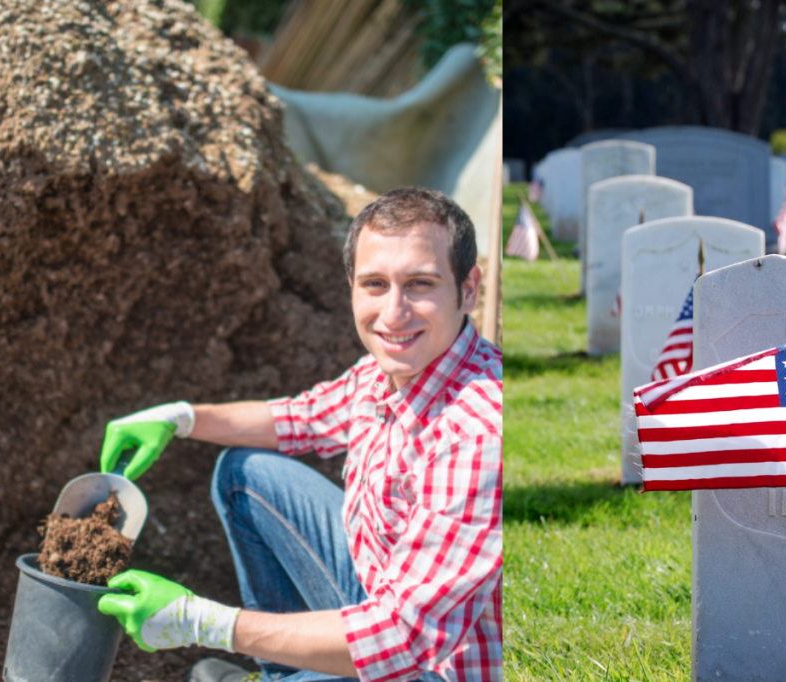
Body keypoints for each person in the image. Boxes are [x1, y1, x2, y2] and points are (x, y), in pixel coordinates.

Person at [96, 187, 502, 682]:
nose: (393, 314)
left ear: (468, 288)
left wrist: (202, 622)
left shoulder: (476, 433)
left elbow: (403, 640)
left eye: (419, 284)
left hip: (430, 665)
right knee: (245, 472)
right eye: (375, 284)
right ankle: (286, 674)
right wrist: (181, 418)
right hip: (385, 596)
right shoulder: (384, 373)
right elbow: (299, 418)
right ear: (351, 284)